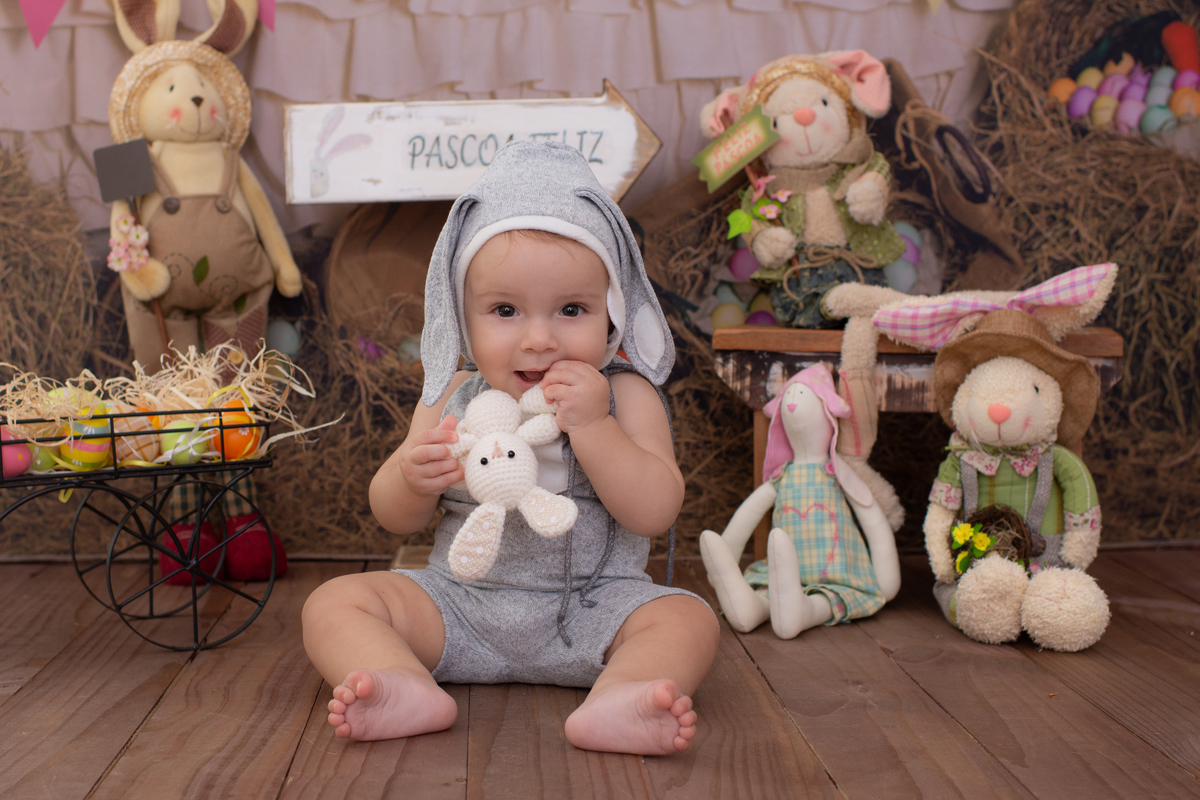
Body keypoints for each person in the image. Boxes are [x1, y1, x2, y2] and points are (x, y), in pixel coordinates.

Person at [301, 141, 720, 756]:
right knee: (335, 602)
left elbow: (655, 511)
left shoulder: (626, 395)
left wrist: (597, 426)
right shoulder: (450, 393)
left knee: (688, 620)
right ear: (463, 320)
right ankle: (402, 682)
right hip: (461, 608)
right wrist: (411, 478)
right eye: (505, 311)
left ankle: (622, 693)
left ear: (613, 315)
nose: (539, 339)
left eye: (572, 309)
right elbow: (394, 516)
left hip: (594, 611)